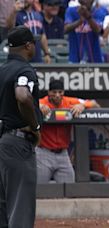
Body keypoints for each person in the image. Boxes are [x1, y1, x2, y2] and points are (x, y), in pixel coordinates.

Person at [0, 26, 42, 227]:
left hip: (2, 141)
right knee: (20, 207)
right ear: (28, 46)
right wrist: (35, 126)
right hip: (17, 143)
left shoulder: (2, 70)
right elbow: (23, 96)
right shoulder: (24, 69)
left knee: (3, 209)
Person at [37, 79, 100, 184]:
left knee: (70, 188)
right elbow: (29, 103)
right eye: (54, 92)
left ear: (63, 92)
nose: (57, 95)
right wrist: (38, 107)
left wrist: (82, 106)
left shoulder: (69, 101)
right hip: (43, 153)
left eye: (60, 92)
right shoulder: (42, 102)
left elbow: (95, 104)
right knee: (39, 190)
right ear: (48, 92)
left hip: (63, 154)